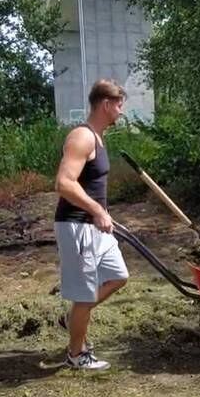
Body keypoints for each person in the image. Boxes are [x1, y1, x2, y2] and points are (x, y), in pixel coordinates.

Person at [53, 79, 129, 370]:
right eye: (119, 105)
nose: (120, 112)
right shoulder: (82, 137)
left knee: (118, 276)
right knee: (85, 293)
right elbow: (63, 183)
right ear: (106, 104)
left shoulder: (98, 137)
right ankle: (76, 355)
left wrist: (103, 214)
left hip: (95, 225)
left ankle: (75, 318)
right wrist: (97, 210)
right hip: (78, 225)